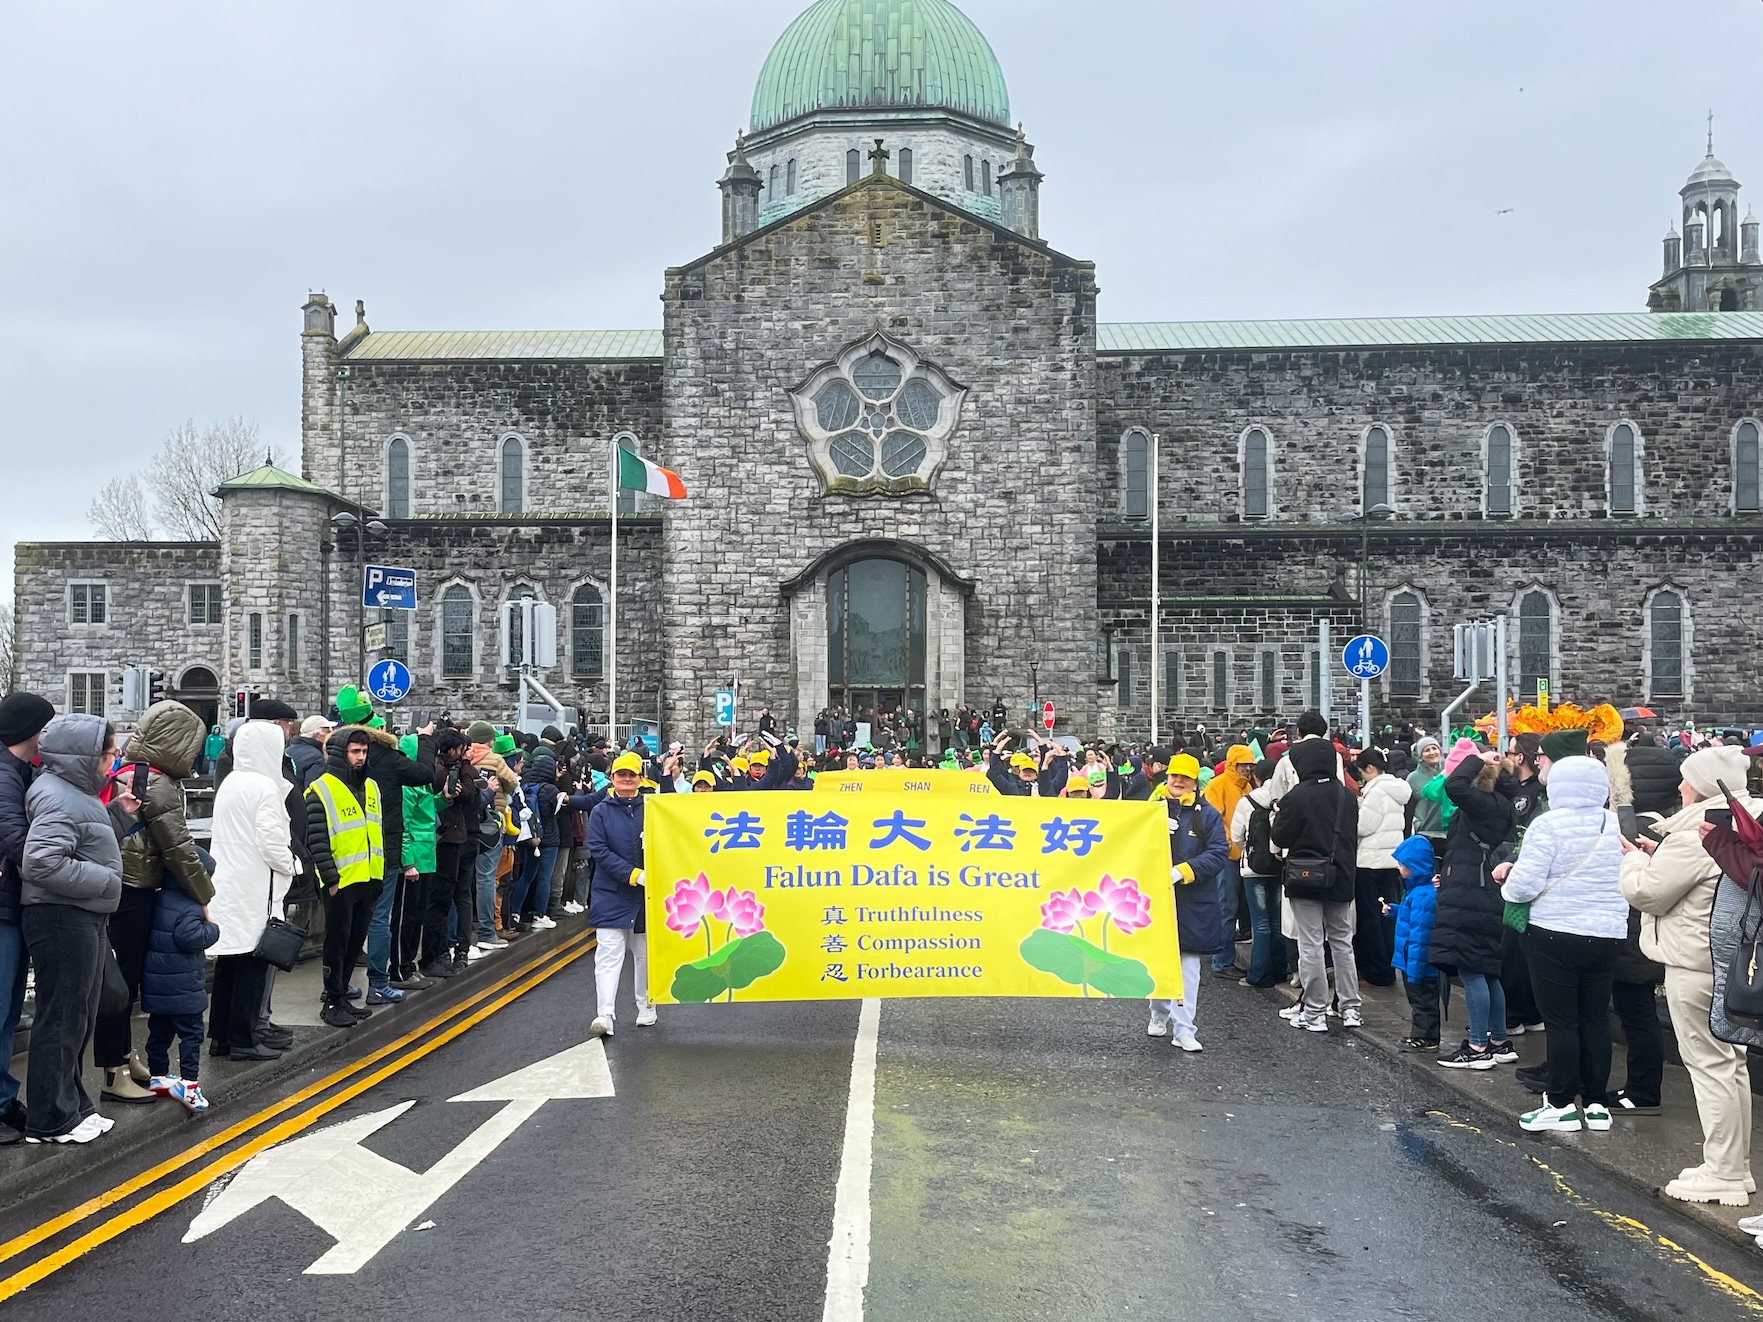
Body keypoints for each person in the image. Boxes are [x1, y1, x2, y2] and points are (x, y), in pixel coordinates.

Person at [1620, 744, 1761, 1203]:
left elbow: (1647, 893)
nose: (1680, 785)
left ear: (1700, 787)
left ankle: (1723, 1171)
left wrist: (1635, 859)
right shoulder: (1747, 820)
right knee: (1732, 1064)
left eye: (1686, 778)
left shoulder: (1692, 835)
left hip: (1693, 961)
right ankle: (1733, 1166)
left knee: (1710, 1066)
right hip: (1730, 960)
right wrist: (1658, 853)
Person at [21, 715, 136, 1143]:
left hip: (77, 913)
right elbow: (41, 862)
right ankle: (49, 1119)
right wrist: (107, 881)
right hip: (61, 916)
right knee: (63, 1018)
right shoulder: (58, 795)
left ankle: (71, 1107)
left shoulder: (73, 791)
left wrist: (118, 815)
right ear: (84, 756)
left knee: (78, 1017)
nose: (114, 759)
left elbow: (84, 838)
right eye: (109, 753)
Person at [1501, 749, 1625, 1133]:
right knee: (1595, 1019)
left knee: (1561, 1022)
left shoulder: (1547, 825)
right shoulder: (1616, 823)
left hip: (1553, 933)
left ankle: (1559, 1103)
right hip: (1607, 933)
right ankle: (1597, 1104)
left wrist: (1507, 886)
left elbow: (1524, 886)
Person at [101, 699, 215, 1106]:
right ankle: (113, 1072)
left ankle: (123, 1058)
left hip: (121, 886)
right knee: (123, 984)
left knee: (121, 981)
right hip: (134, 890)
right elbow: (179, 849)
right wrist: (204, 896)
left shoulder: (131, 772)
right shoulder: (158, 783)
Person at [206, 721, 298, 1059]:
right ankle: (244, 1040)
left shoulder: (231, 782)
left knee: (229, 964)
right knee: (252, 964)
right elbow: (271, 842)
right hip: (255, 886)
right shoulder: (265, 787)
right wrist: (292, 864)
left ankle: (220, 1037)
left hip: (228, 884)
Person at [1430, 748, 1518, 1070]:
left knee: (1471, 970)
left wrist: (1478, 759)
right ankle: (1499, 1041)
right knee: (1487, 970)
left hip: (1470, 893)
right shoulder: (1503, 804)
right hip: (1484, 889)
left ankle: (1478, 1046)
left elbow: (1454, 786)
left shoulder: (1483, 803)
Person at [1269, 738, 1360, 1032]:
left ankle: (1315, 1012)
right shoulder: (1347, 796)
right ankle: (1350, 1008)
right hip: (1341, 875)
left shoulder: (1296, 796)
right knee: (1342, 942)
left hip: (1305, 876)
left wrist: (1279, 817)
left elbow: (1280, 837)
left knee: (1311, 943)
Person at [0, 692, 54, 1143]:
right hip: (3, 907)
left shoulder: (21, 771)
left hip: (12, 904)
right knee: (1, 1009)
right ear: (32, 731)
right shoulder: (4, 776)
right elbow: (20, 844)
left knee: (9, 1012)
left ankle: (2, 1099)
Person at [305, 727, 384, 1029]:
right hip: (339, 881)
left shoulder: (372, 787)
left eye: (364, 751)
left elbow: (375, 832)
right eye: (355, 751)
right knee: (337, 944)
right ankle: (332, 1000)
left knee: (354, 943)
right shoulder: (321, 789)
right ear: (341, 753)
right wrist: (331, 879)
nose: (360, 757)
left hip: (367, 878)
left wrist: (378, 876)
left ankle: (343, 996)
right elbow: (316, 839)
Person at [1149, 754, 1228, 1051]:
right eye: (1174, 776)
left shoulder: (1208, 814)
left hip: (1194, 901)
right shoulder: (1150, 809)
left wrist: (1182, 871)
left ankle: (1184, 1029)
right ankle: (1158, 1012)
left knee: (1189, 969)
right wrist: (1154, 834)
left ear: (1195, 782)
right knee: (1158, 963)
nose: (1179, 781)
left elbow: (1218, 852)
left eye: (1186, 777)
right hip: (1157, 899)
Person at [140, 866, 220, 1112]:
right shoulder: (191, 906)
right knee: (191, 1034)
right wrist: (212, 927)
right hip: (184, 988)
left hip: (157, 984)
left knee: (159, 1032)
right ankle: (189, 1083)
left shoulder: (157, 899)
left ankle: (158, 1076)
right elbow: (190, 938)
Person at [586, 751, 653, 1036]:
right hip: (610, 893)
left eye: (632, 774)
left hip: (645, 897)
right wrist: (633, 874)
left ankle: (646, 1006)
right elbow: (599, 851)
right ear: (611, 777)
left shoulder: (652, 808)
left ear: (640, 778)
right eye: (621, 774)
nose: (626, 779)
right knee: (608, 955)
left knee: (645, 956)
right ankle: (605, 1015)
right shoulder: (600, 811)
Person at [1353, 748, 1411, 987]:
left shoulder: (1376, 792)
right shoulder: (1396, 789)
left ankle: (1376, 971)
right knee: (1388, 915)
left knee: (1371, 918)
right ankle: (1388, 966)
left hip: (1371, 862)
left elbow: (1362, 826)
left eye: (1361, 772)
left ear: (1370, 768)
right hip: (1391, 862)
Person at [1202, 745, 1257, 979]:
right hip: (1226, 857)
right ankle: (1222, 961)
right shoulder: (1218, 785)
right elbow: (1213, 821)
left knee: (1232, 908)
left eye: (1249, 765)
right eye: (1243, 764)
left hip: (1243, 855)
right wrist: (1228, 845)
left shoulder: (1247, 787)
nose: (1247, 769)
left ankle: (1224, 958)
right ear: (1233, 764)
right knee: (1226, 908)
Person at [1231, 759, 1287, 987]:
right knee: (1277, 920)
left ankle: (1259, 974)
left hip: (1254, 869)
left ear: (1256, 777)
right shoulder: (1285, 799)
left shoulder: (1247, 802)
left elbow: (1236, 837)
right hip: (1279, 866)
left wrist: (1250, 851)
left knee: (1260, 923)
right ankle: (1280, 969)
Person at [465, 723, 519, 955]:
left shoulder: (464, 758)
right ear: (489, 740)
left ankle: (462, 935)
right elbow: (512, 781)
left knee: (463, 882)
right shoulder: (494, 759)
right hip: (490, 824)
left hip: (464, 824)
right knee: (486, 879)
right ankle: (487, 932)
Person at [1389, 835, 1441, 1052]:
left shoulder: (1421, 895)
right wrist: (1395, 910)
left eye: (1403, 865)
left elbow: (1420, 936)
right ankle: (1425, 1036)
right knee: (1422, 1000)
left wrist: (1414, 969)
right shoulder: (1418, 892)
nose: (1399, 868)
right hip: (1413, 959)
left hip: (1416, 961)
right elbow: (1413, 920)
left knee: (1422, 1001)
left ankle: (1424, 1037)